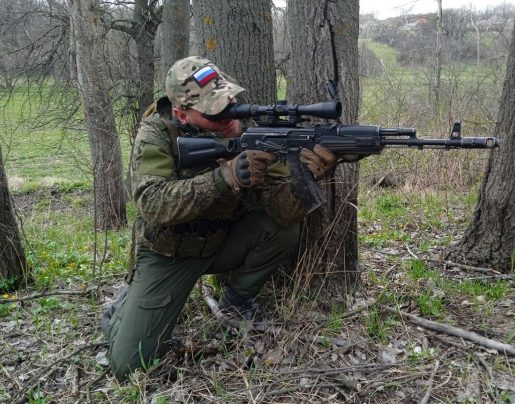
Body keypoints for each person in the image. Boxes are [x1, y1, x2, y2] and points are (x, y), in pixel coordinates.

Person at [102, 56, 338, 381]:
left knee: (281, 230)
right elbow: (152, 204)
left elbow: (281, 212)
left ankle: (237, 300)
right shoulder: (157, 133)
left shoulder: (248, 132)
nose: (230, 116)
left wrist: (308, 174)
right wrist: (224, 178)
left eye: (231, 102)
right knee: (130, 365)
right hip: (168, 255)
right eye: (216, 112)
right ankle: (121, 309)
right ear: (183, 113)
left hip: (220, 242)